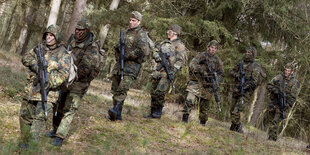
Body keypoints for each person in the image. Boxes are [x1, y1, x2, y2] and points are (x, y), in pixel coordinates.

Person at [47, 18, 104, 146]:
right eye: (76, 29)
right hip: (66, 78)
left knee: (69, 108)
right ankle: (55, 129)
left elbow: (86, 67)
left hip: (80, 82)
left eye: (81, 30)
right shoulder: (72, 40)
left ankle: (60, 136)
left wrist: (72, 75)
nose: (78, 32)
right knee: (58, 104)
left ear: (87, 31)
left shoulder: (92, 46)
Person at [19, 24, 71, 148]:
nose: (48, 37)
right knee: (25, 116)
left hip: (49, 93)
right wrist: (35, 65)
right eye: (47, 34)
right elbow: (25, 58)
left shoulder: (63, 54)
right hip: (31, 89)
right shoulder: (39, 47)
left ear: (57, 37)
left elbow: (63, 74)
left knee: (40, 118)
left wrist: (49, 81)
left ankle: (30, 146)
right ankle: (24, 140)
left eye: (51, 35)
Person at [107, 11, 151, 121]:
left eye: (134, 20)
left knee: (122, 89)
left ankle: (115, 111)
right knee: (115, 89)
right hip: (119, 65)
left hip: (131, 67)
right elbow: (118, 46)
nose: (131, 22)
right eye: (130, 20)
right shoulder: (125, 32)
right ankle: (118, 114)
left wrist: (128, 55)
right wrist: (118, 53)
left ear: (139, 22)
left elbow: (143, 51)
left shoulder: (141, 34)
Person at [144, 24, 187, 119]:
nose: (167, 32)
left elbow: (181, 61)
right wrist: (157, 57)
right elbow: (155, 49)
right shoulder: (163, 42)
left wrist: (173, 70)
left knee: (160, 92)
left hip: (167, 72)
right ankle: (152, 112)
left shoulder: (179, 45)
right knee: (153, 91)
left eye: (169, 31)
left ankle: (157, 113)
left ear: (175, 33)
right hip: (158, 70)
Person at [181, 40, 224, 126]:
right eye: (212, 47)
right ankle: (184, 120)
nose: (213, 50)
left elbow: (221, 74)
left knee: (204, 108)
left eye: (215, 48)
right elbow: (192, 64)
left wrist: (216, 81)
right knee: (189, 100)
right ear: (208, 47)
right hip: (196, 82)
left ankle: (202, 124)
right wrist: (201, 71)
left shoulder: (218, 61)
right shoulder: (201, 55)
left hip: (207, 86)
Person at [229, 46, 265, 133]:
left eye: (249, 53)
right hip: (236, 90)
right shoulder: (241, 63)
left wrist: (245, 86)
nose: (247, 54)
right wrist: (237, 75)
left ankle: (238, 127)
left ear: (253, 54)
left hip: (246, 93)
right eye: (246, 52)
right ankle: (234, 126)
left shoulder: (255, 66)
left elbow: (254, 82)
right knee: (232, 110)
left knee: (236, 111)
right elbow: (231, 71)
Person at [266, 62, 299, 141]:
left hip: (283, 104)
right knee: (271, 120)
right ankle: (273, 137)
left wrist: (287, 105)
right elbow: (269, 85)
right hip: (273, 101)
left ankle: (271, 138)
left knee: (275, 121)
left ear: (292, 72)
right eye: (286, 70)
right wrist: (275, 91)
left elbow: (293, 97)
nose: (286, 72)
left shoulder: (295, 82)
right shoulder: (279, 77)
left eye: (288, 71)